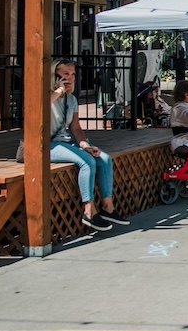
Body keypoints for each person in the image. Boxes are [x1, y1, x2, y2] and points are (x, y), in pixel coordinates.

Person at [48, 60, 129, 231]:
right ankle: (89, 211)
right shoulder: (46, 95)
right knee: (87, 162)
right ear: (54, 76)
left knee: (104, 159)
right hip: (48, 145)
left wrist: (84, 144)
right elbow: (40, 108)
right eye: (65, 74)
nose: (70, 78)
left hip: (66, 141)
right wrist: (59, 91)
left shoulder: (72, 99)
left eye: (73, 74)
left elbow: (75, 127)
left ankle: (108, 207)